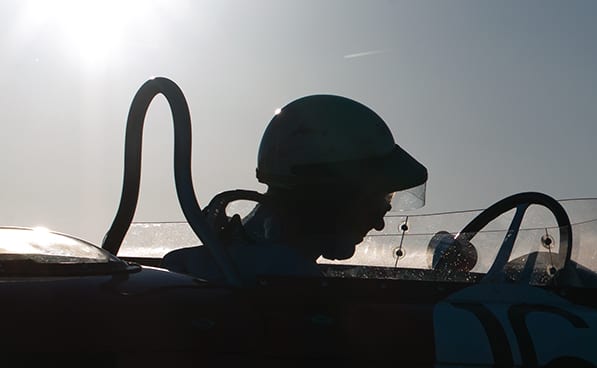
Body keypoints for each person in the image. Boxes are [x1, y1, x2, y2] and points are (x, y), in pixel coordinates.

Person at [165, 94, 427, 282]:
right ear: (328, 196)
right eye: (376, 199)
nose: (379, 223)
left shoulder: (209, 265)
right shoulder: (289, 288)